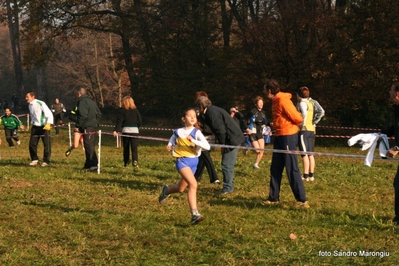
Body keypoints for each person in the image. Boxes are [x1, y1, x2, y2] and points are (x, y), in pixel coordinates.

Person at [158, 108, 210, 225]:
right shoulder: (178, 131)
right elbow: (173, 137)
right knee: (193, 184)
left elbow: (207, 146)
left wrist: (194, 141)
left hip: (194, 162)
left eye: (194, 116)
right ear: (183, 118)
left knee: (180, 188)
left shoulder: (196, 132)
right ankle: (194, 214)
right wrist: (170, 145)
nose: (192, 118)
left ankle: (166, 190)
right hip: (182, 161)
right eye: (189, 116)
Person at [262, 79, 309, 208]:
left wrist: (282, 124)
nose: (265, 93)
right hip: (279, 135)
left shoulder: (283, 100)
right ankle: (273, 198)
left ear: (270, 91)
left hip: (288, 136)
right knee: (275, 168)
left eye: (265, 91)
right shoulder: (275, 101)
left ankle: (302, 200)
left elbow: (297, 117)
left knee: (291, 167)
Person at [196, 96, 245, 194]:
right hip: (233, 137)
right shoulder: (212, 110)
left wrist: (223, 146)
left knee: (226, 164)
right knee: (228, 164)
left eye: (198, 107)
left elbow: (220, 131)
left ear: (201, 107)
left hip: (231, 139)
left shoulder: (211, 113)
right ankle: (229, 185)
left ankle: (228, 188)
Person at [296, 86, 325, 182]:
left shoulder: (302, 103)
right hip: (312, 130)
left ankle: (305, 175)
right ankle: (311, 175)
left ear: (299, 95)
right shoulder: (311, 103)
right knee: (310, 153)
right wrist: (314, 122)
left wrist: (301, 125)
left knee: (304, 154)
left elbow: (304, 114)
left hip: (304, 131)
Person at [193, 91, 219, 184]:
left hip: (208, 134)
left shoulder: (208, 111)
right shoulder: (196, 110)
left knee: (204, 156)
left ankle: (196, 176)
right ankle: (214, 178)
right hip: (202, 134)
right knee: (205, 155)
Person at [382, 82, 399, 225]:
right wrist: (379, 133)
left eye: (391, 90)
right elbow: (395, 128)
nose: (389, 92)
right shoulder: (396, 109)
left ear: (397, 94)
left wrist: (397, 147)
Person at [74, 88, 102, 171]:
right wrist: (95, 122)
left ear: (79, 94)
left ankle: (92, 164)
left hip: (87, 126)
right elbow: (99, 114)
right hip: (92, 126)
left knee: (88, 145)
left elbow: (82, 115)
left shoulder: (82, 102)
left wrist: (78, 126)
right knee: (89, 145)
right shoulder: (92, 101)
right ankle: (89, 164)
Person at [113, 96, 142, 171]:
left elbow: (119, 121)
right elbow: (140, 121)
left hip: (126, 131)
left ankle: (126, 162)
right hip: (135, 131)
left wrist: (116, 130)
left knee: (126, 148)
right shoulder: (136, 110)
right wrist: (137, 127)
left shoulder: (122, 111)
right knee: (134, 148)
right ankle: (135, 162)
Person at [25, 91, 54, 167]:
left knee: (46, 144)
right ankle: (34, 159)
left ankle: (46, 160)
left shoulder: (40, 103)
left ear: (33, 97)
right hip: (35, 127)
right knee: (32, 144)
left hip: (44, 127)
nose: (26, 98)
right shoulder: (29, 105)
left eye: (27, 97)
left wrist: (49, 123)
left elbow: (49, 113)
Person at [246, 96, 269, 169]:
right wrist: (247, 128)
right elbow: (244, 120)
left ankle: (256, 164)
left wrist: (270, 124)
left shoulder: (263, 113)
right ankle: (247, 147)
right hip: (252, 132)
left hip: (259, 132)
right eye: (259, 103)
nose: (261, 104)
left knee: (262, 150)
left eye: (262, 103)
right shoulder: (252, 111)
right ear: (256, 104)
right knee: (257, 150)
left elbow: (266, 122)